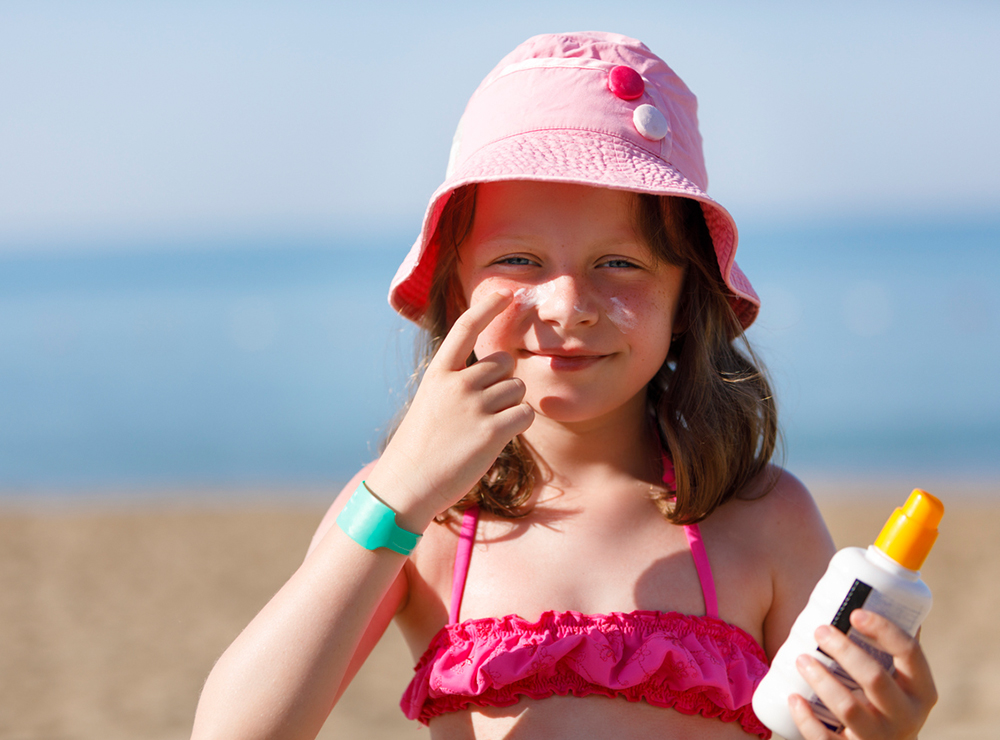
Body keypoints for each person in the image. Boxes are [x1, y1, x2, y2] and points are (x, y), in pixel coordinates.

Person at [191, 32, 937, 740]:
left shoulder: (763, 520)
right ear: (455, 290)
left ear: (687, 300)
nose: (568, 305)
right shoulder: (425, 519)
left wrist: (879, 725)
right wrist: (399, 491)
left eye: (621, 264)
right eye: (518, 260)